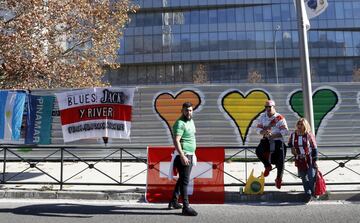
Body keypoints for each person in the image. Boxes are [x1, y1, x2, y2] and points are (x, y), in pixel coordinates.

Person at [168, 102, 198, 216]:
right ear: (182, 111)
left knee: (182, 180)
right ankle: (186, 207)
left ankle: (174, 201)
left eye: (190, 110)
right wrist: (182, 155)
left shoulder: (190, 121)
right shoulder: (180, 123)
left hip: (190, 153)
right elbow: (176, 140)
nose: (188, 112)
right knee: (185, 182)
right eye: (186, 110)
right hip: (184, 155)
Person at [255, 100, 289, 189]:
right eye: (266, 107)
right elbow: (258, 130)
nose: (268, 109)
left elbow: (285, 132)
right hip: (266, 139)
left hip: (278, 140)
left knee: (280, 161)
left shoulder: (280, 118)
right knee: (258, 151)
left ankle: (279, 179)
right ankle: (267, 166)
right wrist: (264, 132)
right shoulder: (262, 117)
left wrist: (273, 135)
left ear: (274, 107)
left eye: (269, 107)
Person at [288, 118, 318, 203]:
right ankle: (307, 194)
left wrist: (315, 159)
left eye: (301, 124)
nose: (299, 126)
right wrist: (292, 148)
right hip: (299, 159)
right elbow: (290, 143)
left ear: (305, 126)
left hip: (309, 159)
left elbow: (314, 147)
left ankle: (313, 192)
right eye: (298, 124)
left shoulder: (308, 134)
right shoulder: (293, 134)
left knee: (311, 177)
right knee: (304, 178)